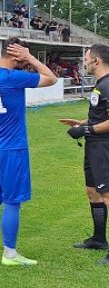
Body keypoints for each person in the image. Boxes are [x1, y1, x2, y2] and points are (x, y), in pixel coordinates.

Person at [0, 37, 57, 266]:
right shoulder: (14, 78)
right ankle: (10, 254)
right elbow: (51, 78)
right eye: (22, 54)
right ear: (16, 54)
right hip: (12, 148)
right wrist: (30, 57)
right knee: (12, 201)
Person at [61, 45, 109, 261]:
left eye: (87, 59)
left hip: (104, 147)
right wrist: (82, 123)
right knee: (92, 191)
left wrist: (86, 129)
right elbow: (101, 116)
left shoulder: (108, 84)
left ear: (96, 61)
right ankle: (99, 239)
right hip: (94, 145)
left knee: (107, 195)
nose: (84, 62)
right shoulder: (101, 84)